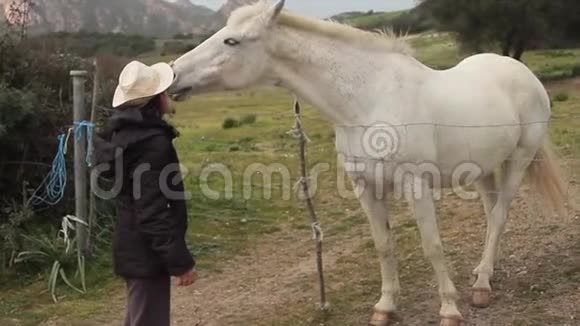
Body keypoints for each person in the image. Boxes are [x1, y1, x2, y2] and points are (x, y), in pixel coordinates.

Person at [94, 61, 197, 326]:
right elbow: (152, 211)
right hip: (146, 253)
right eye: (163, 92)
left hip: (133, 246)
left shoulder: (123, 137)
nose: (167, 97)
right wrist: (179, 261)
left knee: (140, 317)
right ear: (154, 100)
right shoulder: (152, 145)